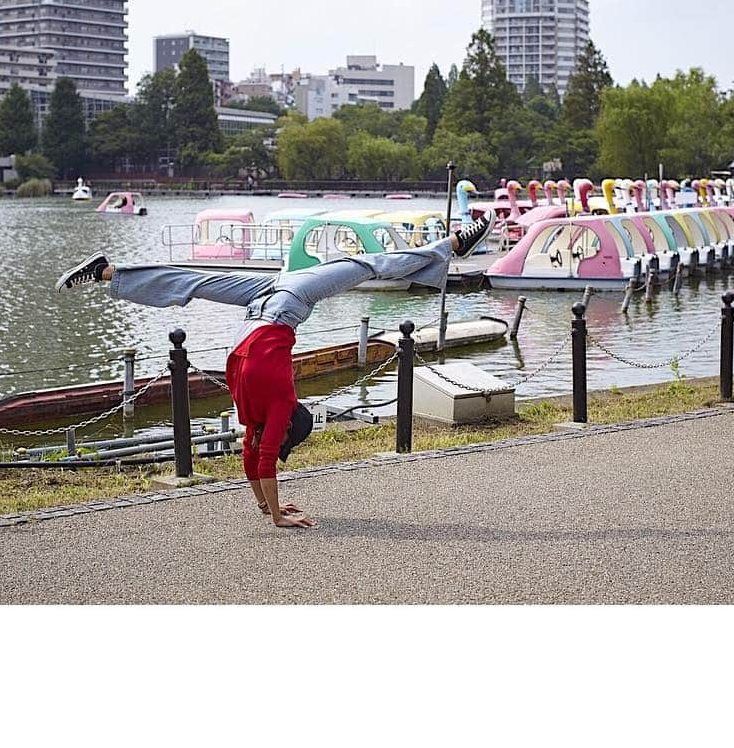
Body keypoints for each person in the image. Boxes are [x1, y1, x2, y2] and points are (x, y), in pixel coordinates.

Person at [56, 210, 496, 529]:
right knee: (200, 283)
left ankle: (453, 246)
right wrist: (269, 509)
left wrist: (276, 512)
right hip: (251, 333)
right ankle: (109, 274)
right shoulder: (252, 414)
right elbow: (255, 459)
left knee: (363, 266)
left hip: (278, 308)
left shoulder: (280, 406)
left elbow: (264, 459)